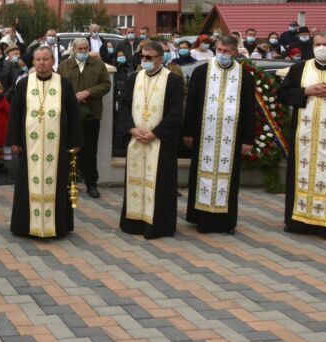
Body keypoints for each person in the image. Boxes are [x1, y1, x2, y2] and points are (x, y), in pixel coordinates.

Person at [277, 31, 326, 239]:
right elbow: (283, 95)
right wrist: (305, 92)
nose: (322, 48)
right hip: (303, 139)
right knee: (299, 177)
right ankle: (297, 222)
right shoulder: (299, 69)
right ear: (312, 46)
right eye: (318, 44)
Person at [6, 46, 83, 238]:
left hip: (57, 146)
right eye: (38, 59)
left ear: (52, 61)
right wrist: (14, 140)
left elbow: (73, 114)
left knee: (57, 182)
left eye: (45, 59)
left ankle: (57, 225)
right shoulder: (24, 83)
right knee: (27, 183)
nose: (41, 63)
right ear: (33, 62)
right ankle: (26, 225)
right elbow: (15, 113)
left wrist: (75, 141)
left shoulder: (64, 84)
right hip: (29, 145)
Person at [182, 36, 255, 234]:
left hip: (232, 139)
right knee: (201, 175)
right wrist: (187, 132)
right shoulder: (202, 71)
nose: (222, 54)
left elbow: (249, 109)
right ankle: (201, 219)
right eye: (220, 50)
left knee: (229, 179)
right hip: (204, 135)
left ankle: (226, 222)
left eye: (227, 51)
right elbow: (191, 105)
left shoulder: (244, 76)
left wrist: (248, 140)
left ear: (234, 52)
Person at [118, 41, 185, 239]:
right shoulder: (134, 78)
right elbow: (123, 107)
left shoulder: (172, 80)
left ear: (160, 58)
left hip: (160, 142)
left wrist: (156, 133)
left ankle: (158, 226)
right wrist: (131, 129)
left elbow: (175, 113)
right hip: (137, 140)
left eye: (149, 57)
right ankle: (134, 223)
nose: (144, 61)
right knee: (136, 180)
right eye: (142, 57)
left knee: (160, 185)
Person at [57, 38, 112, 198]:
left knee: (89, 149)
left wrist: (88, 92)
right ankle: (69, 182)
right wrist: (72, 97)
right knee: (69, 149)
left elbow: (106, 85)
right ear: (73, 49)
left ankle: (91, 183)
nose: (83, 52)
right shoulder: (64, 66)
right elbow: (58, 86)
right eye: (80, 49)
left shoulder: (98, 65)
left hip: (91, 113)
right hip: (69, 114)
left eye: (85, 48)